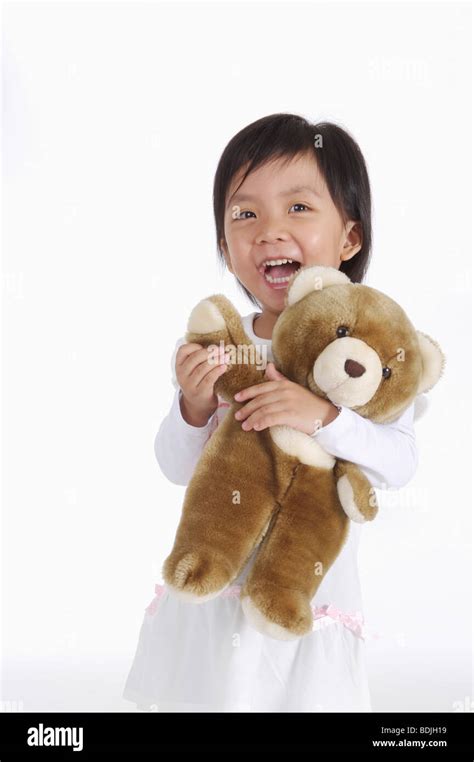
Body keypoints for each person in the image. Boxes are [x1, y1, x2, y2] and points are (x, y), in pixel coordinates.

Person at [123, 113, 419, 712]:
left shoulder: (365, 351)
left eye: (299, 209)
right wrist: (194, 404)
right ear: (224, 246)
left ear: (350, 238)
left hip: (306, 598)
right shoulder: (223, 344)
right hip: (214, 599)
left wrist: (323, 417)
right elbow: (177, 467)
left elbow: (399, 463)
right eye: (244, 214)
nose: (269, 230)